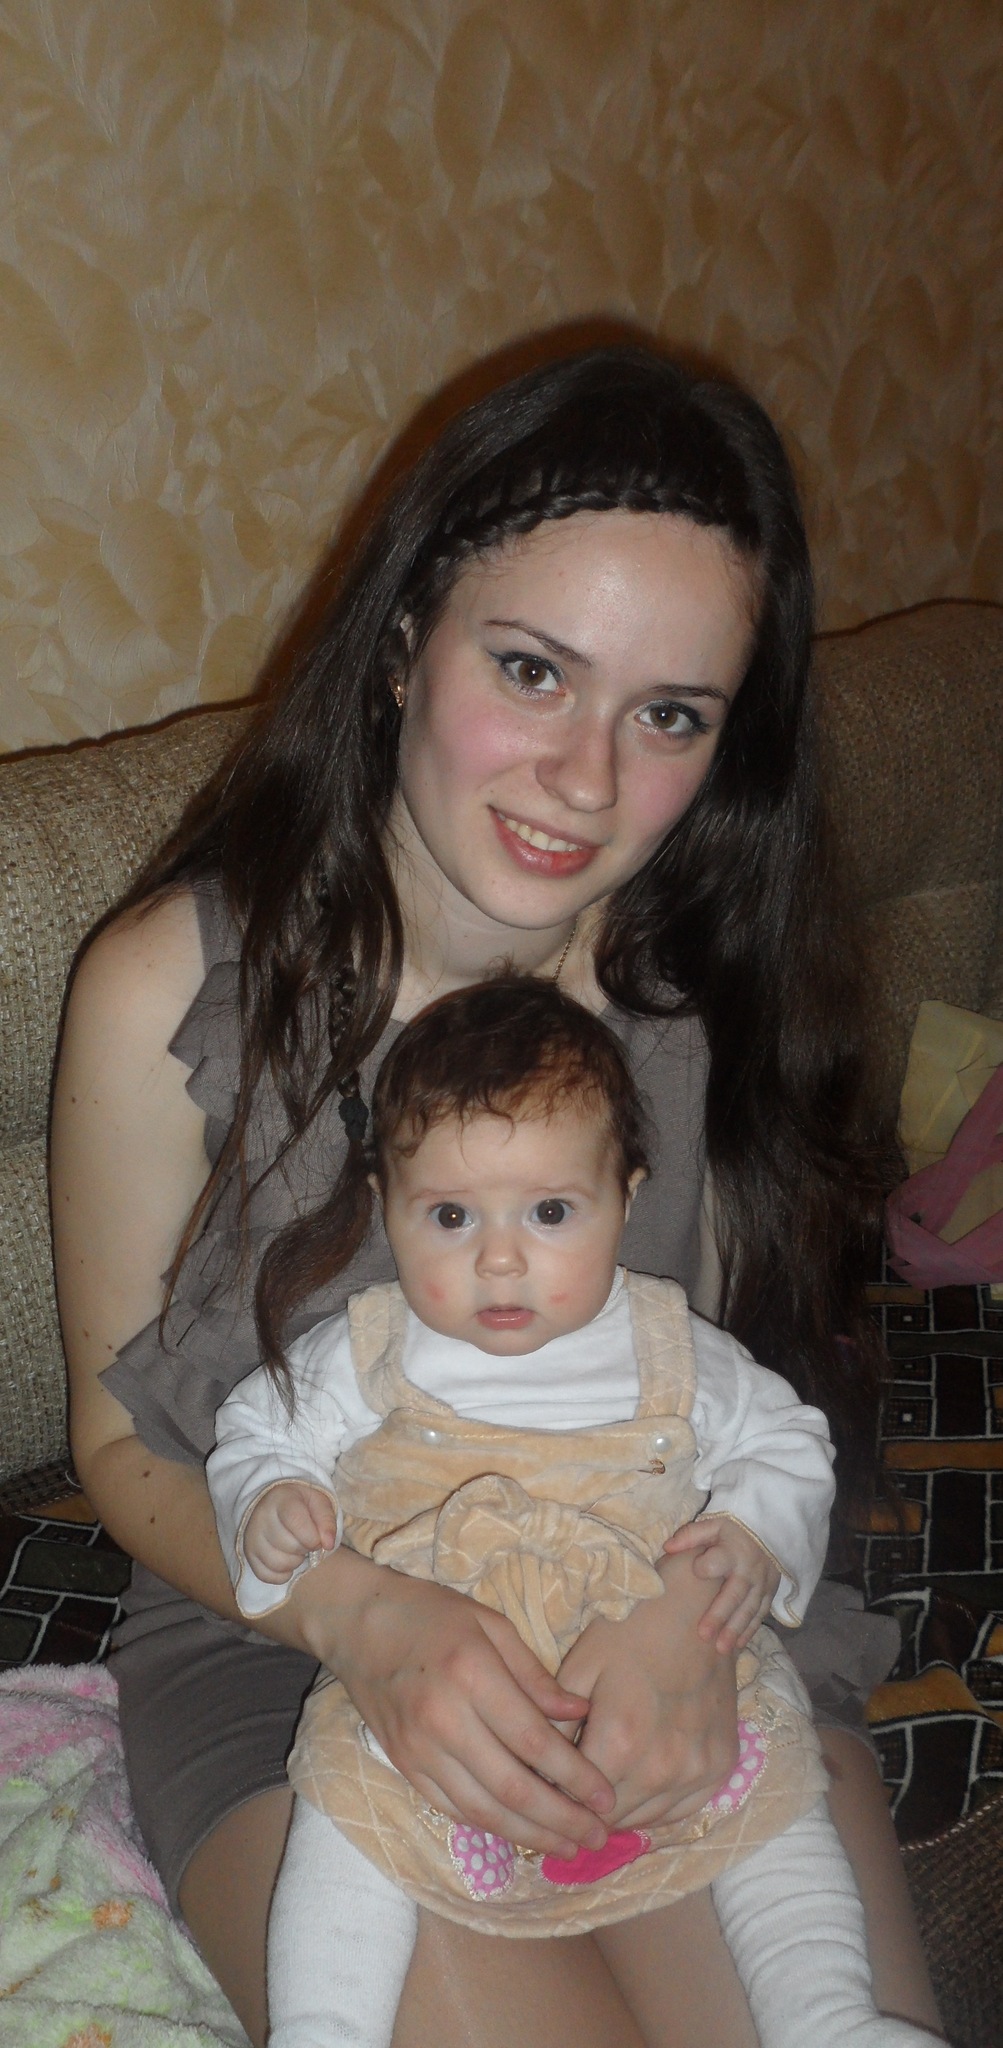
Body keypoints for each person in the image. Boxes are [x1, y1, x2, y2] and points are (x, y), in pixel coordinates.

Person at [51, 335, 944, 2048]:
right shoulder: (165, 985)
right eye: (532, 670)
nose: (586, 780)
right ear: (404, 639)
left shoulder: (703, 985)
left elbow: (716, 1394)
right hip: (287, 1639)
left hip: (656, 1613)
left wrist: (698, 1617)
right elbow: (115, 1443)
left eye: (667, 715)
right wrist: (362, 1615)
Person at [207, 974, 937, 2048]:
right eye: (450, 1215)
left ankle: (827, 2018)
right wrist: (271, 1498)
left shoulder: (670, 1344)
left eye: (550, 1212)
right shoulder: (363, 1350)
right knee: (347, 1810)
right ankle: (321, 2026)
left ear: (624, 1197)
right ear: (383, 1201)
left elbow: (787, 1441)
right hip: (443, 1684)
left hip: (655, 1658)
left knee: (777, 1801)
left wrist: (749, 1530)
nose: (500, 1257)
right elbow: (254, 1432)